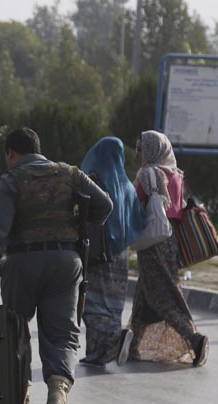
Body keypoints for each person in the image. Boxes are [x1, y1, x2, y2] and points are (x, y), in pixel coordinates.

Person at [0, 127, 112, 404]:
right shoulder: (71, 174)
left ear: (10, 153)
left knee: (14, 332)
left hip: (22, 262)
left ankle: (19, 403)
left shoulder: (10, 180)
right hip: (66, 262)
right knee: (62, 335)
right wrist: (80, 223)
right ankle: (58, 392)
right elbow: (105, 206)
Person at [125, 130, 209, 367]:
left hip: (152, 240)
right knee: (145, 291)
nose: (139, 155)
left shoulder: (148, 174)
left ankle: (194, 338)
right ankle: (131, 345)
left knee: (164, 295)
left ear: (152, 150)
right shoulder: (176, 175)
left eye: (141, 150)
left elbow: (133, 203)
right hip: (170, 239)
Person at [78, 137, 146, 367]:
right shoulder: (126, 185)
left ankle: (115, 340)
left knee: (92, 304)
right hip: (121, 256)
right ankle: (99, 354)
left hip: (98, 254)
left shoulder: (96, 183)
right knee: (113, 304)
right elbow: (138, 219)